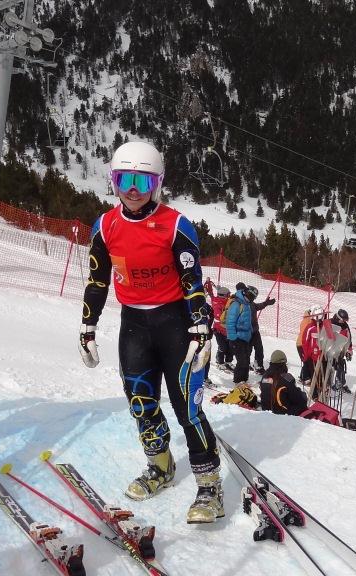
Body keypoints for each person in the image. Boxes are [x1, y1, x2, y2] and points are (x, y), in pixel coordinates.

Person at [78, 141, 223, 524]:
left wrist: (201, 330)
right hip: (134, 326)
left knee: (187, 408)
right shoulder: (105, 227)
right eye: (124, 180)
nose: (133, 190)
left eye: (143, 181)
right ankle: (160, 466)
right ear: (113, 181)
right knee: (141, 403)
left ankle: (210, 487)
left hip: (176, 325)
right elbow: (97, 281)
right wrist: (88, 327)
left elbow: (193, 282)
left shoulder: (176, 225)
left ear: (158, 183)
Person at [224, 284, 255, 387]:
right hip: (237, 337)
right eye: (250, 296)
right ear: (246, 293)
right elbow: (230, 322)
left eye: (253, 298)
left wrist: (251, 333)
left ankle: (244, 380)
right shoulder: (236, 304)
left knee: (246, 360)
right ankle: (238, 381)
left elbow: (247, 321)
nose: (251, 299)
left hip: (246, 337)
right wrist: (233, 338)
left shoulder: (246, 304)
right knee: (242, 361)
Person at [261, 350, 308, 416]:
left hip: (266, 411)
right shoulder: (286, 378)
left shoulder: (264, 376)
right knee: (302, 400)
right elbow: (297, 398)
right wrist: (302, 395)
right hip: (282, 414)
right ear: (283, 363)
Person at [205, 279, 231, 380]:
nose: (229, 296)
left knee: (229, 347)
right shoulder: (217, 301)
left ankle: (227, 361)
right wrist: (208, 283)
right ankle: (219, 361)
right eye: (228, 294)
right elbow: (210, 293)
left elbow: (211, 293)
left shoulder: (227, 301)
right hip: (218, 329)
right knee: (223, 347)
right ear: (224, 295)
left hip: (227, 330)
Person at [247, 287, 276, 374]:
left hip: (255, 331)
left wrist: (266, 303)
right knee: (247, 349)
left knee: (259, 349)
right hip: (246, 331)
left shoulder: (252, 304)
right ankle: (245, 364)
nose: (254, 298)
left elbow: (258, 306)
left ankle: (258, 365)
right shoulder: (243, 304)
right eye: (253, 296)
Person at [329, 309, 353, 392]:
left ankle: (340, 383)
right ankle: (327, 382)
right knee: (329, 366)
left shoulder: (345, 326)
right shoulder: (330, 323)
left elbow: (349, 339)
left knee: (341, 364)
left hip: (340, 350)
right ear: (338, 318)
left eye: (345, 320)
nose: (344, 322)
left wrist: (349, 351)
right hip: (328, 349)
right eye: (343, 320)